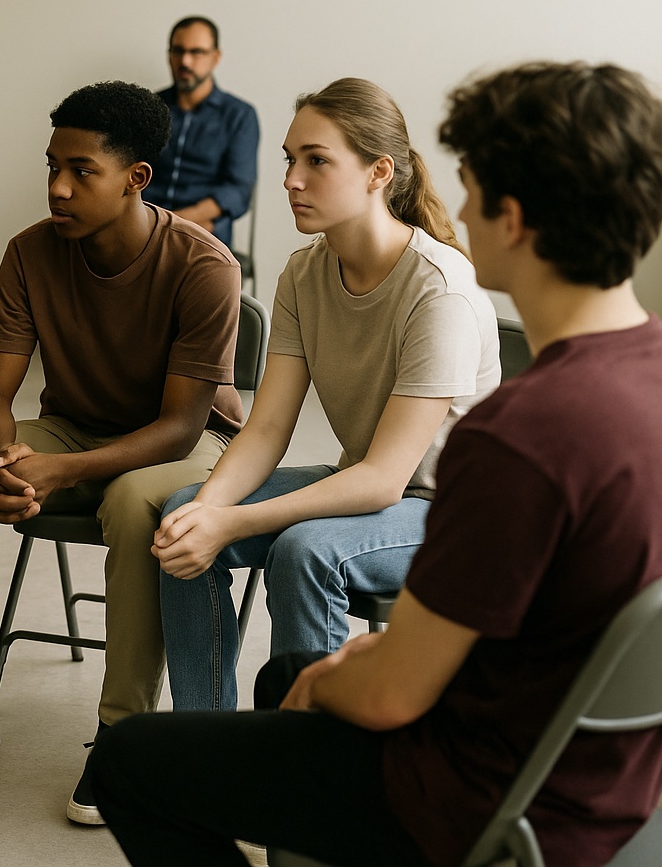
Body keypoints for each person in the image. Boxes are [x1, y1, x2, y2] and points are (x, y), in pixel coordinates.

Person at [91, 61, 662, 867]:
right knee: (286, 676)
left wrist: (341, 677)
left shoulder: (518, 434)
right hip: (600, 787)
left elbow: (391, 696)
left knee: (131, 763)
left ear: (512, 218)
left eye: (475, 185)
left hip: (484, 804)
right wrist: (341, 665)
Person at [0, 81, 243, 827]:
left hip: (184, 448)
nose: (58, 187)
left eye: (80, 171)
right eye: (51, 167)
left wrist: (57, 473)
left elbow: (179, 427)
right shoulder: (30, 253)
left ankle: (123, 733)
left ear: (136, 178)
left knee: (136, 499)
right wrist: (10, 463)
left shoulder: (204, 266)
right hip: (73, 431)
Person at [154, 78, 499, 712]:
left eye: (317, 160)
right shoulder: (303, 272)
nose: (290, 178)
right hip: (367, 485)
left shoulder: (439, 290)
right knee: (180, 516)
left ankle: (305, 762)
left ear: (379, 173)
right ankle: (208, 735)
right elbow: (263, 431)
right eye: (290, 158)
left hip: (449, 513)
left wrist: (231, 520)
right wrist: (208, 513)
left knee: (306, 549)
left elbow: (383, 482)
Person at [149, 16, 260, 250]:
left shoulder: (239, 115)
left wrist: (178, 221)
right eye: (178, 51)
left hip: (202, 231)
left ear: (215, 57)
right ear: (169, 55)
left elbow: (238, 190)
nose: (185, 61)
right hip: (145, 223)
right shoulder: (150, 106)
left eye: (196, 52)